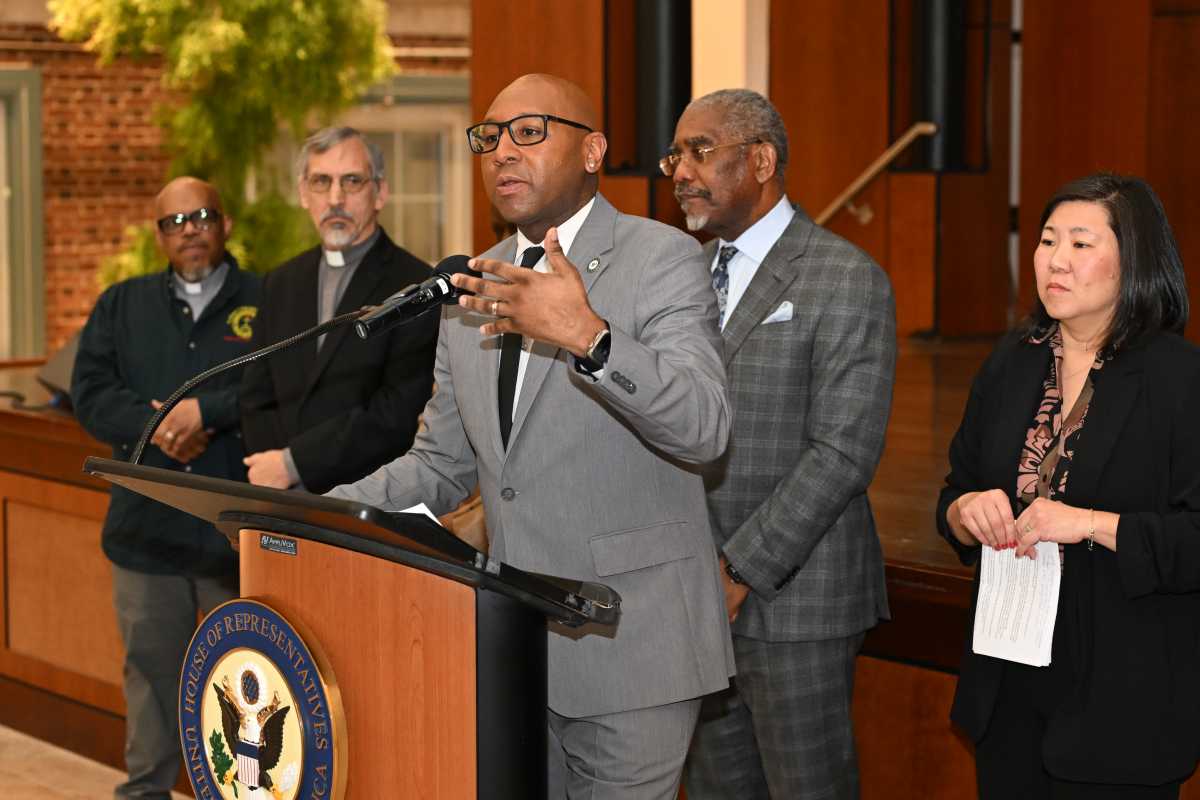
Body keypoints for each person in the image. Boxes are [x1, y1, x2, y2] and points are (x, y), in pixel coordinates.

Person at [328, 73, 734, 799]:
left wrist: (590, 337)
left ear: (593, 150)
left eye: (529, 132)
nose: (503, 152)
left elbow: (705, 428)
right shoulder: (471, 285)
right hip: (513, 645)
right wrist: (323, 509)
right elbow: (444, 462)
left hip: (633, 641)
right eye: (488, 137)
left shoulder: (661, 257)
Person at [938, 173, 1200, 799]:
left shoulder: (1178, 380)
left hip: (1124, 697)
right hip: (1009, 682)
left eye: (1081, 244)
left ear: (1131, 260)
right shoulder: (1011, 360)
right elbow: (955, 491)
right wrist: (966, 512)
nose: (1056, 260)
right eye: (1047, 240)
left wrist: (1087, 523)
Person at [666, 89, 896, 799]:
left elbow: (842, 453)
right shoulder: (682, 276)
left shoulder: (846, 277)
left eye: (700, 151)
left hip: (796, 602)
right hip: (693, 599)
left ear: (761, 160)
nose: (678, 171)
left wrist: (736, 573)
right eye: (675, 153)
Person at [72, 177, 261, 799]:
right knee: (152, 682)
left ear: (225, 223)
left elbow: (284, 387)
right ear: (160, 235)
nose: (189, 229)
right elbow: (91, 391)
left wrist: (208, 413)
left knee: (246, 690)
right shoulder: (120, 305)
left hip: (233, 539)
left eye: (203, 215)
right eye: (175, 221)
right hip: (144, 535)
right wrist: (158, 426)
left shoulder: (266, 299)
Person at [239, 126, 438, 494]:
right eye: (320, 182)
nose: (335, 198)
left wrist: (296, 463)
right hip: (277, 494)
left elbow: (395, 413)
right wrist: (273, 467)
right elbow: (255, 394)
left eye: (352, 181)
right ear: (303, 193)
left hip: (366, 497)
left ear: (380, 193)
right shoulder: (280, 281)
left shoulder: (415, 286)